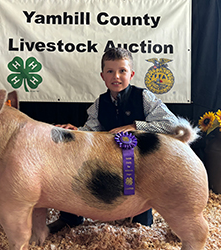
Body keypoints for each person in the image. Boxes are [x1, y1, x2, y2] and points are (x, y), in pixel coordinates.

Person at [48, 47, 179, 233]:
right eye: (110, 71)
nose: (116, 76)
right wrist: (76, 131)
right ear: (102, 76)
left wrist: (136, 127)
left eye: (122, 71)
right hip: (107, 163)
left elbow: (172, 125)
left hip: (141, 166)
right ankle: (70, 218)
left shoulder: (144, 97)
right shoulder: (99, 103)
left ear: (131, 74)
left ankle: (169, 221)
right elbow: (91, 131)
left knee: (140, 228)